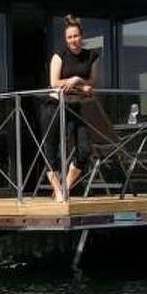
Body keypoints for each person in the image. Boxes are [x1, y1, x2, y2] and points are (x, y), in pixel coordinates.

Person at [45, 16, 98, 200]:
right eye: (69, 37)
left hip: (75, 105)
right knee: (51, 148)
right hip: (55, 105)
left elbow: (92, 83)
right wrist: (80, 86)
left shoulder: (91, 56)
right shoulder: (59, 55)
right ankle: (58, 191)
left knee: (84, 149)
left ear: (81, 36)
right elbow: (54, 83)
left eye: (75, 36)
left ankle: (66, 185)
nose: (73, 40)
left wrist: (76, 80)